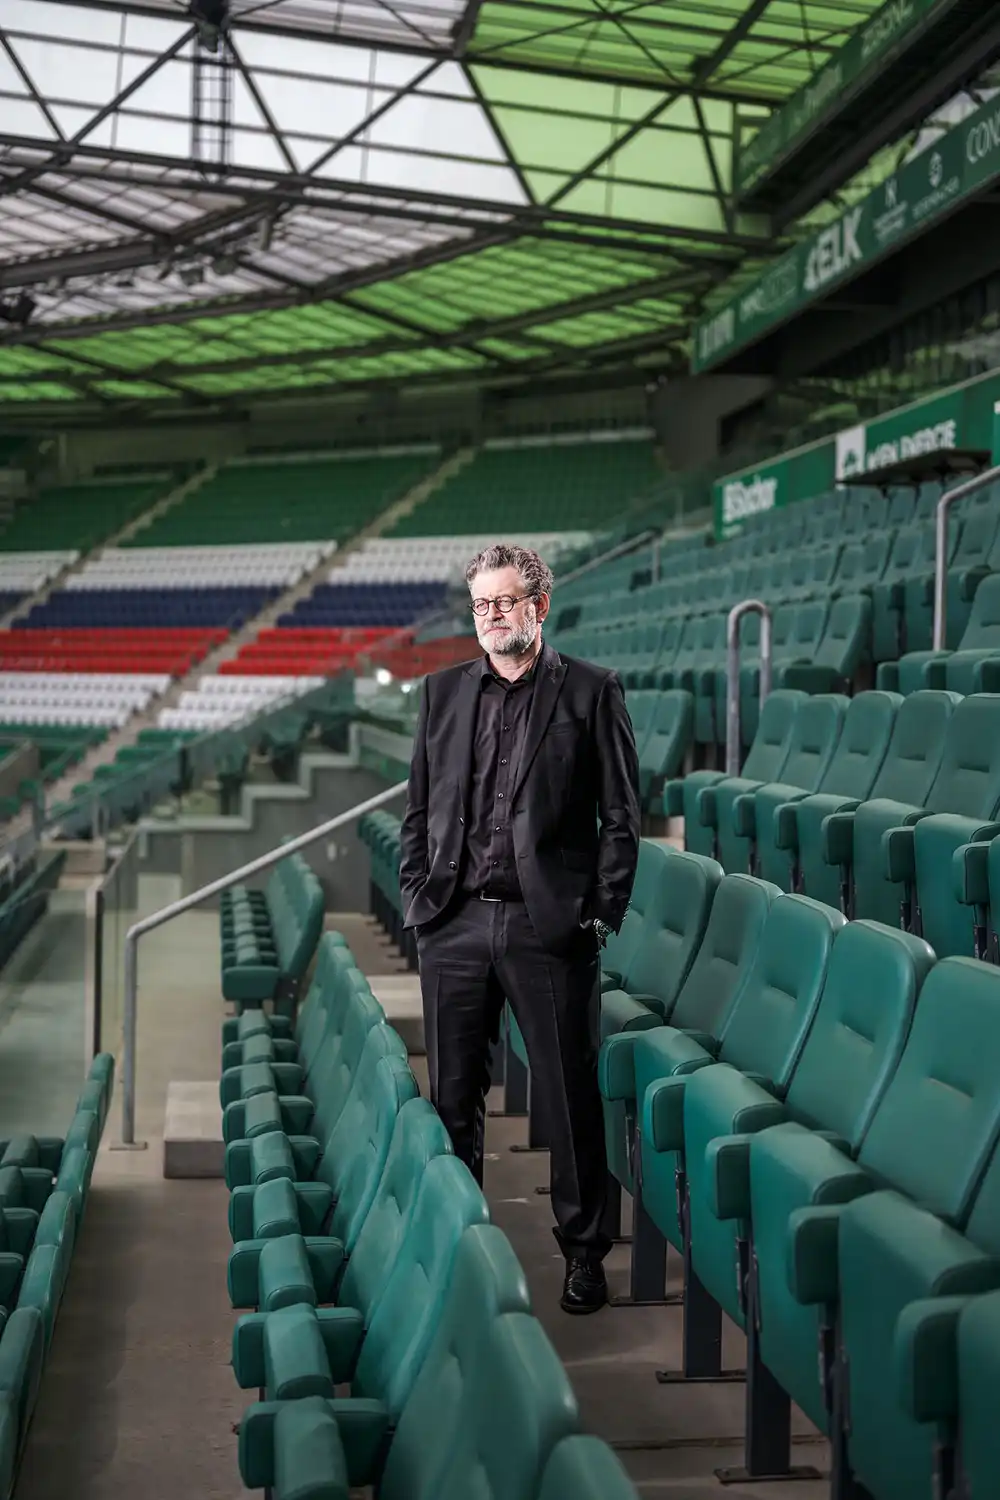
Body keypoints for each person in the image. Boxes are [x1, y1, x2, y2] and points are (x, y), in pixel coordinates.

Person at [399, 541, 640, 1313]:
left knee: (569, 1095)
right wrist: (419, 899)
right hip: (456, 921)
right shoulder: (440, 694)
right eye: (481, 605)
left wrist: (597, 925)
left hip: (550, 929)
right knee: (453, 1097)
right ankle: (459, 1244)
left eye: (505, 601)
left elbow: (623, 821)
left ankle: (583, 1252)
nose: (492, 616)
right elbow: (418, 809)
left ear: (538, 605)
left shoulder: (593, 692)